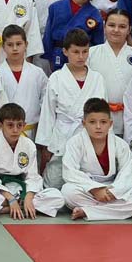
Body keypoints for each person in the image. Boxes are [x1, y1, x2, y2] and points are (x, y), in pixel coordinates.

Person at [37, 29, 107, 188]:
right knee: (53, 183)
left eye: (85, 51)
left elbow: (103, 113)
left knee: (85, 183)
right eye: (76, 52)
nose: (81, 56)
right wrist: (46, 145)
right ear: (65, 51)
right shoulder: (56, 78)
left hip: (88, 136)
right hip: (62, 135)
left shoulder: (97, 78)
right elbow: (48, 113)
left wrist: (103, 141)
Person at [60, 99, 132, 221]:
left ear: (110, 123)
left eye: (103, 122)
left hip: (112, 188)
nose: (98, 127)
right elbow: (70, 172)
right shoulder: (74, 143)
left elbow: (127, 173)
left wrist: (114, 191)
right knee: (68, 192)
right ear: (84, 123)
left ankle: (88, 211)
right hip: (88, 189)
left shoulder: (120, 144)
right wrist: (95, 189)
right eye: (92, 122)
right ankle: (122, 210)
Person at [0, 104, 64, 220]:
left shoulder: (28, 145)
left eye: (19, 125)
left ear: (24, 125)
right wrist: (10, 199)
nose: (15, 130)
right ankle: (17, 206)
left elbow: (33, 176)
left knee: (57, 197)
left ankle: (7, 208)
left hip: (21, 189)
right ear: (0, 125)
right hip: (0, 191)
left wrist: (28, 197)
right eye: (10, 125)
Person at [88, 10, 132, 136]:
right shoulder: (91, 54)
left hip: (129, 118)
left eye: (122, 26)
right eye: (111, 25)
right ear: (104, 27)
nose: (116, 30)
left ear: (129, 29)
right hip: (97, 118)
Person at [42, 0, 104, 70]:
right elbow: (48, 38)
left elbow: (98, 46)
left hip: (82, 60)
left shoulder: (95, 15)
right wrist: (50, 59)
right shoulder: (55, 7)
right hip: (58, 57)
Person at [0, 25, 47, 140]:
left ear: (26, 45)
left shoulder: (38, 73)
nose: (14, 48)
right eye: (10, 45)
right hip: (3, 133)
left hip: (31, 132)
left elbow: (45, 105)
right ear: (3, 46)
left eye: (18, 44)